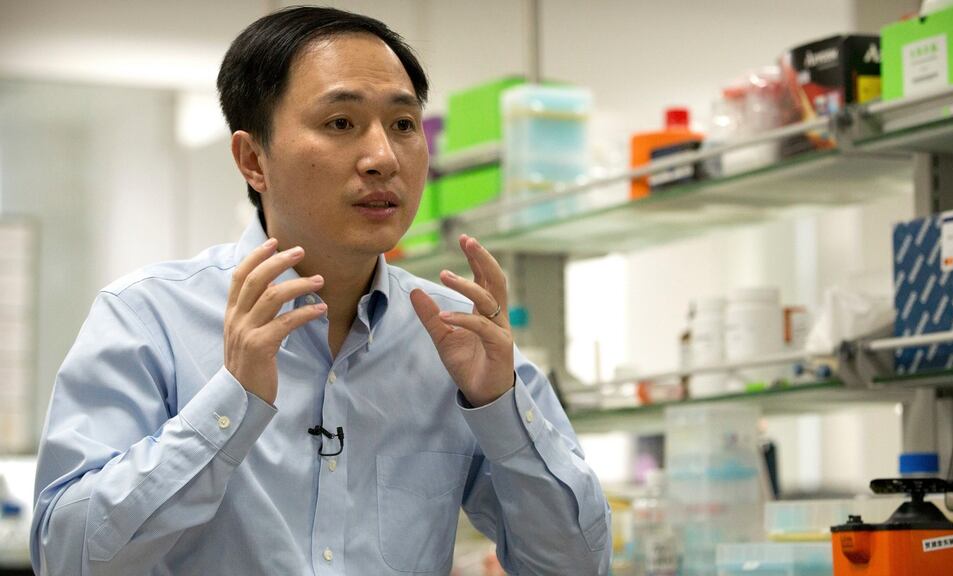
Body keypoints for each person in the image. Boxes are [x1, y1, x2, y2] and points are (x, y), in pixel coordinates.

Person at [30, 6, 610, 576]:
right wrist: (228, 406)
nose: (383, 157)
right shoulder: (147, 318)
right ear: (253, 159)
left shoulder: (458, 337)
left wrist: (500, 408)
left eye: (403, 125)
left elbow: (578, 566)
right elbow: (67, 557)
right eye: (341, 123)